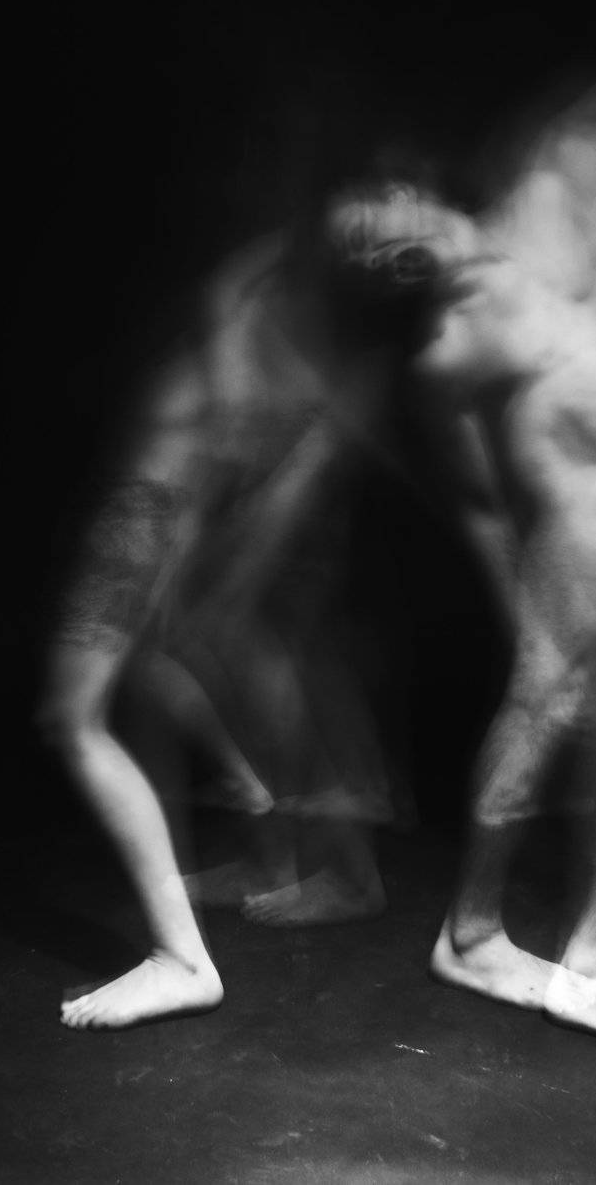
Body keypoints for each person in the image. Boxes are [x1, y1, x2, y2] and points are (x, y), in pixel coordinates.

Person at [335, 61, 596, 1056]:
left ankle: (572, 951)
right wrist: (515, 600)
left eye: (368, 227)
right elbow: (483, 505)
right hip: (580, 530)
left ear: (407, 189)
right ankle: (507, 944)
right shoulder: (447, 352)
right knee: (544, 708)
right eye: (361, 261)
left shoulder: (549, 202)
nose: (376, 255)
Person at [39, 229, 401, 1029]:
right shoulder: (280, 339)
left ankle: (181, 958)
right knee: (143, 681)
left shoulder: (265, 320)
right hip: (158, 511)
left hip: (142, 514)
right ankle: (244, 810)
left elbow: (241, 327)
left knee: (76, 719)